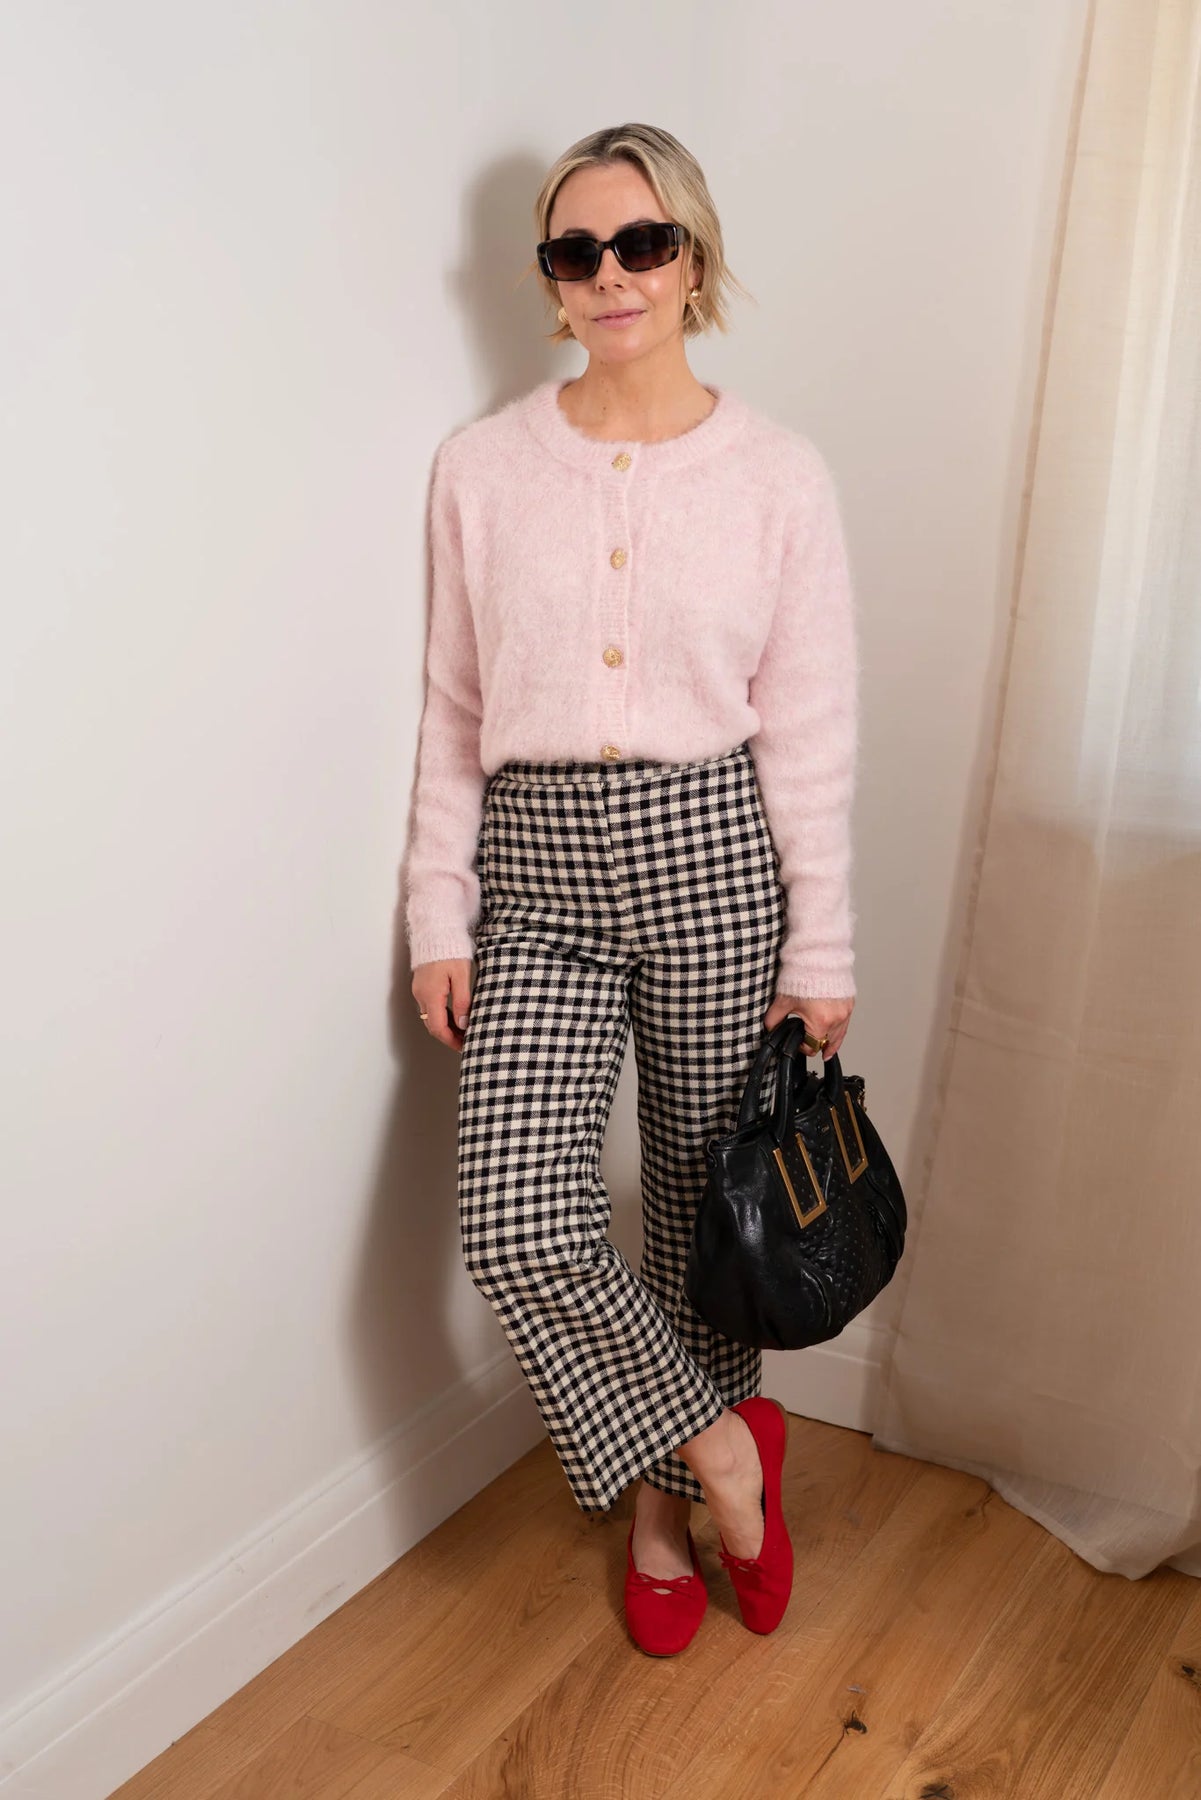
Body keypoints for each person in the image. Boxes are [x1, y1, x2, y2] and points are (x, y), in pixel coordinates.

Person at [402, 121, 859, 1656]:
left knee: (690, 1218)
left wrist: (821, 944)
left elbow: (809, 729)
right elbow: (452, 711)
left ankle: (661, 1520)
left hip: (713, 856)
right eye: (575, 249)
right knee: (516, 1215)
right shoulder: (481, 468)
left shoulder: (776, 475)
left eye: (642, 243)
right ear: (548, 276)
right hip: (533, 870)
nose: (611, 275)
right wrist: (437, 912)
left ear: (693, 259)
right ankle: (726, 1452)